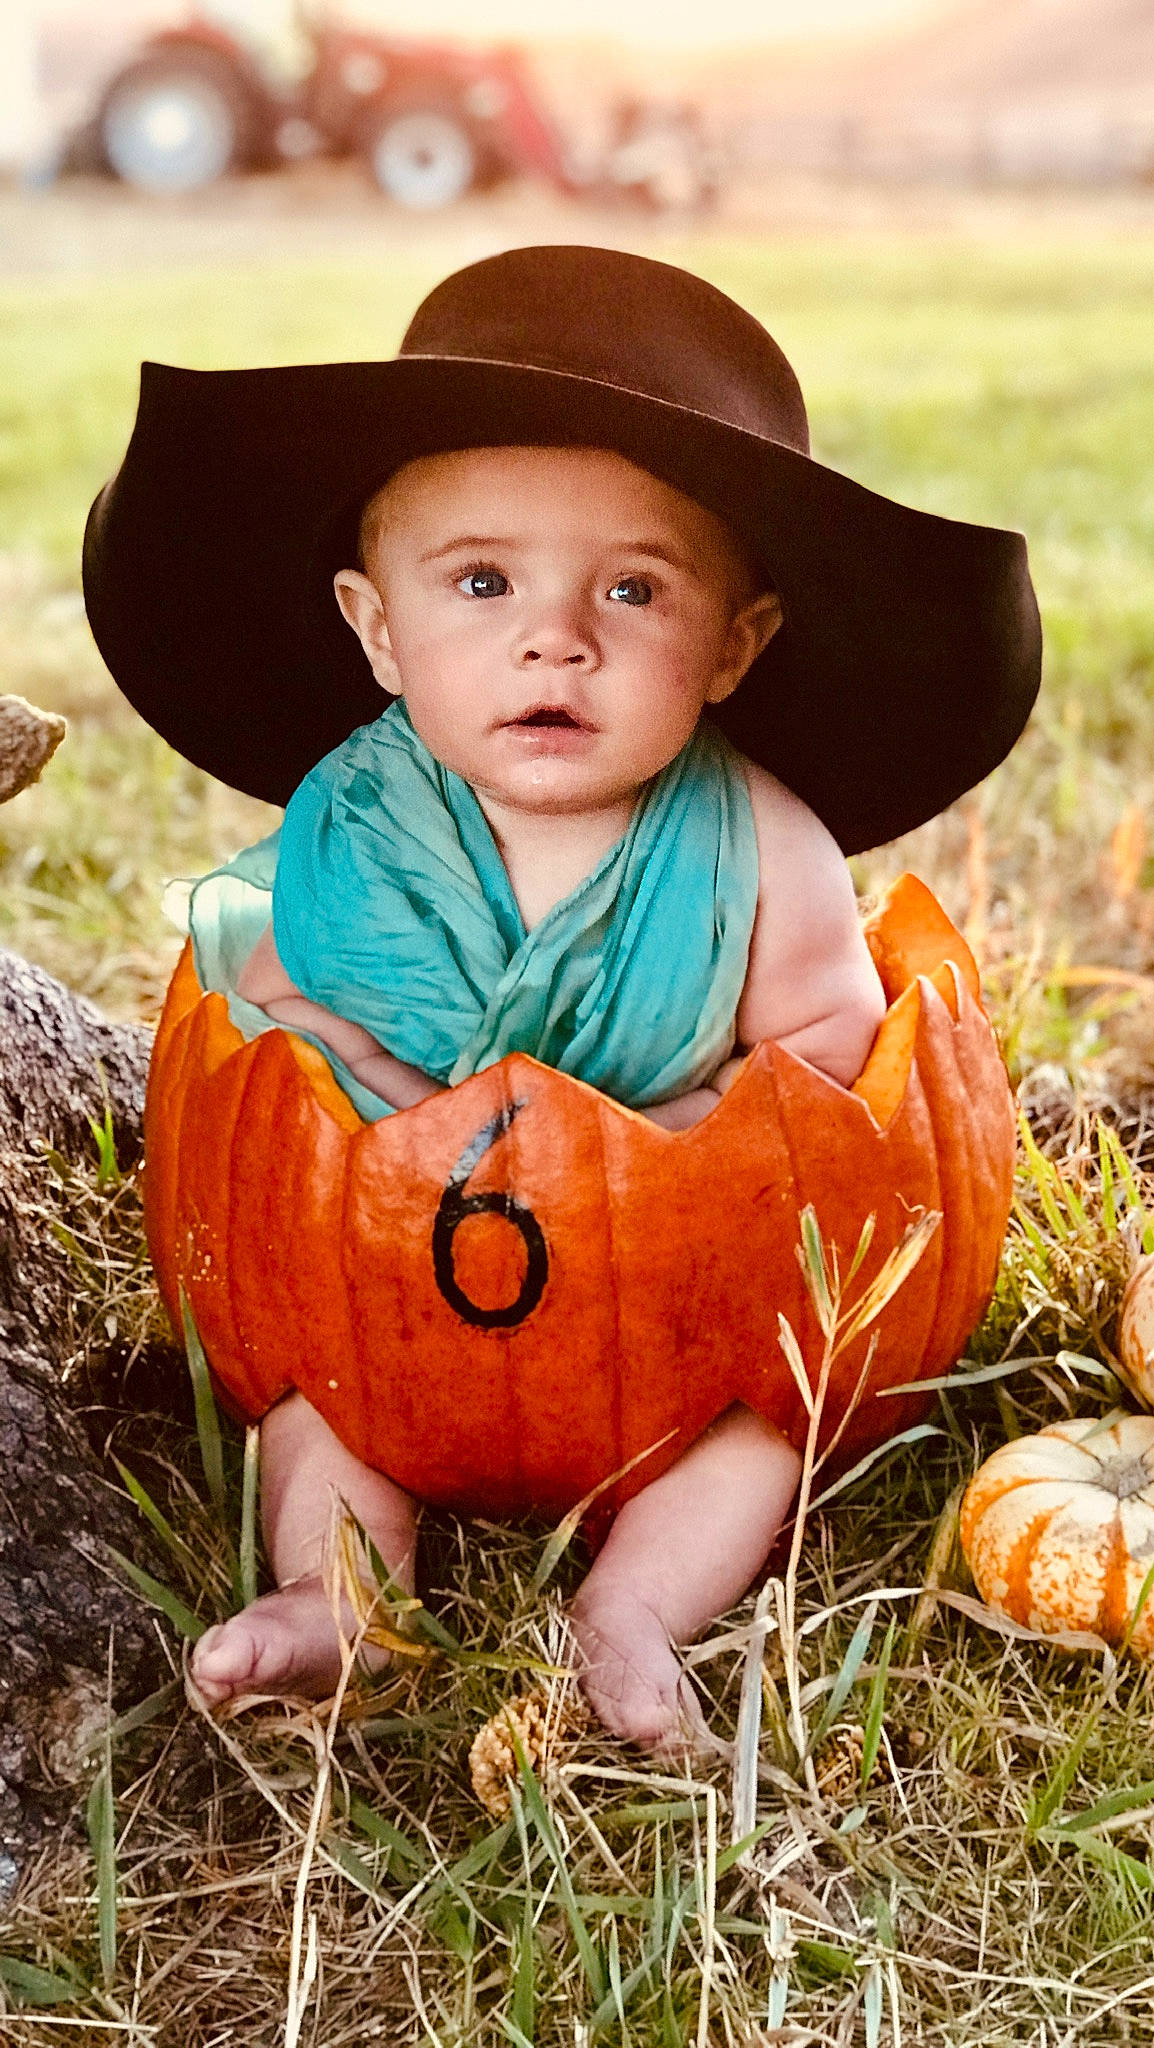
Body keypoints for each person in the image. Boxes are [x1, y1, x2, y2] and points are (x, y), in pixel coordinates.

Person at [83, 245, 1041, 1749]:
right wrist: (368, 1083)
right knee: (312, 1403)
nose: (557, 637)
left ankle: (636, 1609)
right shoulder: (352, 828)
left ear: (735, 644)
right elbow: (285, 1037)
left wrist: (662, 1134)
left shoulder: (761, 842)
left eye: (633, 590)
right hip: (385, 1291)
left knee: (765, 1433)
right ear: (377, 626)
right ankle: (342, 1596)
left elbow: (831, 1061)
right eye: (483, 582)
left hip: (676, 1307)